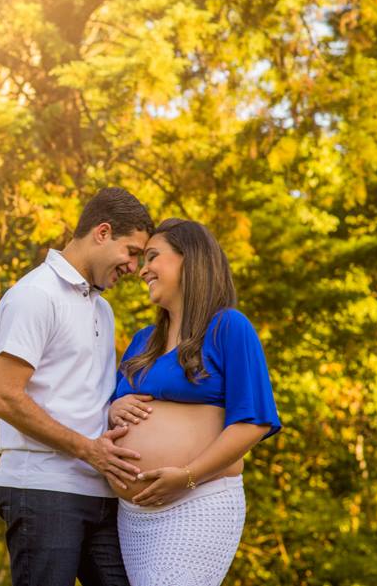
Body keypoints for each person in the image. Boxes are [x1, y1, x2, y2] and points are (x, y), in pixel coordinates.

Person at [0, 187, 154, 586]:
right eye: (131, 251)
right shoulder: (34, 295)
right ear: (102, 232)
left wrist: (114, 409)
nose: (134, 266)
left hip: (102, 493)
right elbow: (4, 397)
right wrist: (88, 449)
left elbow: (85, 392)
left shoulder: (102, 307)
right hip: (43, 489)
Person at [107, 218, 281, 586]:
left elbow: (254, 422)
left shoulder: (229, 328)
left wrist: (187, 477)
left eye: (153, 257)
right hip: (131, 515)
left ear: (190, 259)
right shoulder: (142, 340)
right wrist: (112, 409)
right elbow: (113, 406)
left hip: (198, 502)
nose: (142, 270)